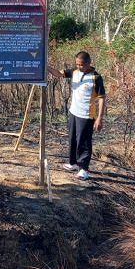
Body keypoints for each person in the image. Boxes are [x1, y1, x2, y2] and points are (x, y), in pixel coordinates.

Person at [48, 51, 106, 181]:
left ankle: (84, 169)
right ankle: (73, 163)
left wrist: (99, 118)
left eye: (81, 65)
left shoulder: (96, 77)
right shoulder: (74, 72)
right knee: (73, 138)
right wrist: (45, 66)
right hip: (73, 112)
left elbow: (102, 98)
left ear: (88, 63)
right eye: (77, 64)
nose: (79, 67)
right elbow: (59, 73)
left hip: (86, 115)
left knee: (83, 142)